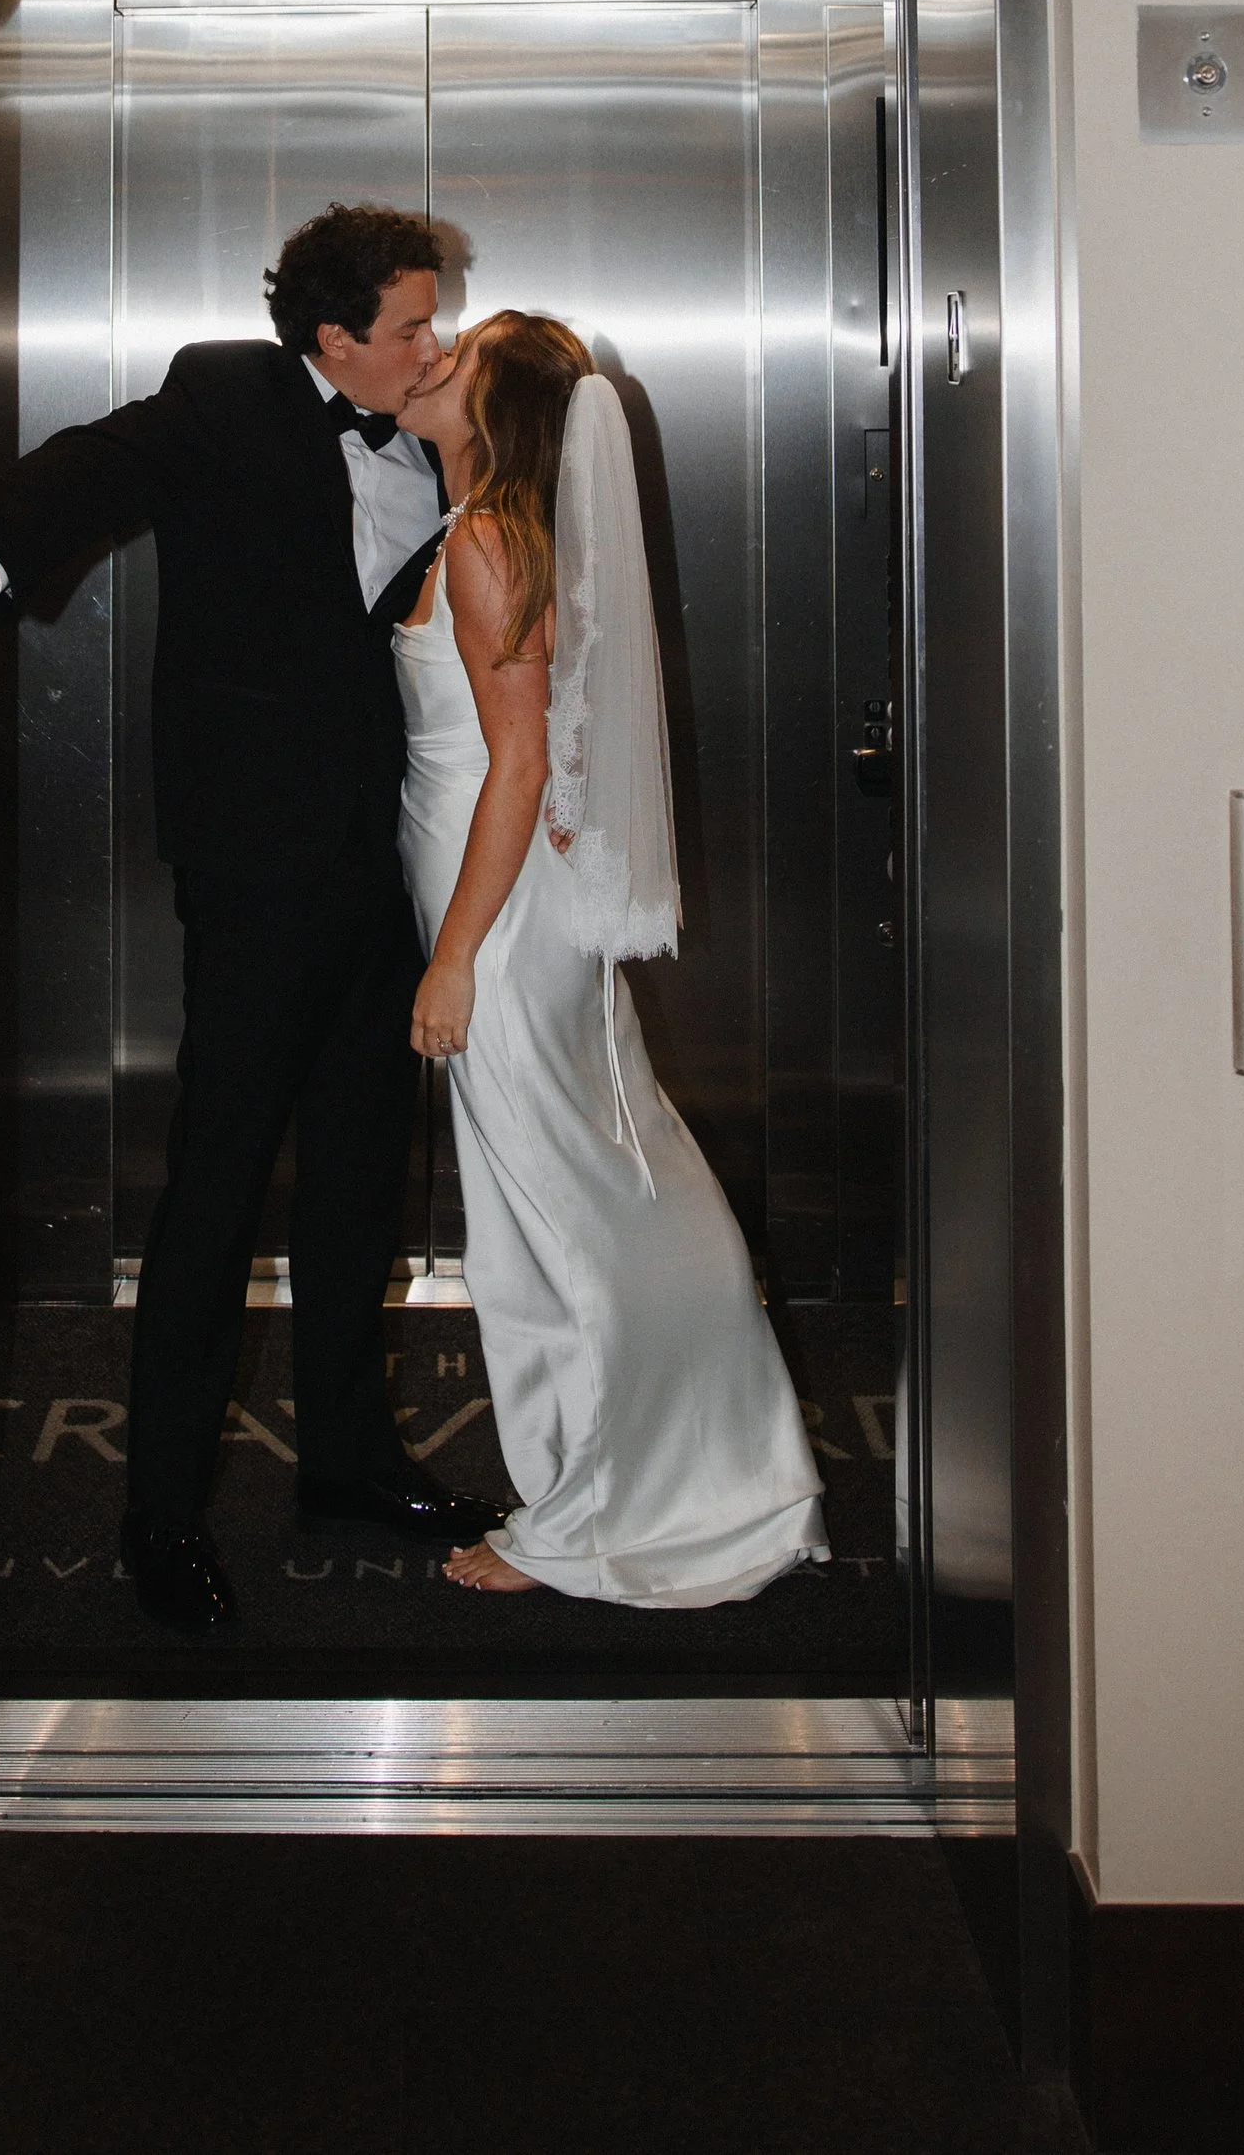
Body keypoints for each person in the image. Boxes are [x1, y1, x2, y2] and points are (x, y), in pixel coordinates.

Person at [0, 203, 505, 1638]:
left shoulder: (437, 433)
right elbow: (99, 462)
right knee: (217, 1189)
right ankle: (161, 1511)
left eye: (434, 319)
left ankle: (348, 1465)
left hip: (393, 870)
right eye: (410, 325)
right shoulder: (224, 394)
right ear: (332, 338)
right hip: (255, 875)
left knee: (361, 1180)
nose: (433, 345)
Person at [393, 312, 828, 1606]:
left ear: (497, 410)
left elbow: (520, 763)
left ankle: (614, 1506)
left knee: (564, 1213)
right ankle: (684, 1461)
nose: (432, 356)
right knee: (598, 1186)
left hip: (496, 921)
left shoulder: (488, 540)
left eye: (461, 354)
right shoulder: (492, 528)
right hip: (504, 902)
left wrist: (455, 958)